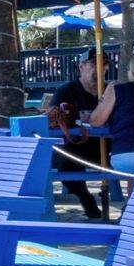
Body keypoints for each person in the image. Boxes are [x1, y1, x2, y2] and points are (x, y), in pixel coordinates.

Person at [47, 55, 106, 219]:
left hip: (104, 144)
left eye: (104, 65)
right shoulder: (67, 90)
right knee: (65, 165)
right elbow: (53, 117)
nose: (99, 69)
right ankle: (86, 199)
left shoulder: (109, 91)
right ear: (81, 67)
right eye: (94, 64)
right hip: (74, 145)